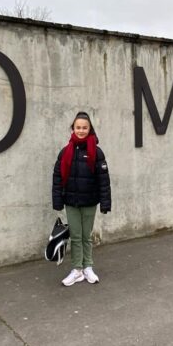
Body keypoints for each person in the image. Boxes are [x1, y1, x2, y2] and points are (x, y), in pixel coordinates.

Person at [51, 111, 111, 286]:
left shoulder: (97, 152)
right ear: (73, 128)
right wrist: (57, 201)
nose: (81, 130)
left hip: (89, 202)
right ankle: (77, 269)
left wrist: (105, 203)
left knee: (86, 236)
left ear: (90, 129)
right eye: (78, 127)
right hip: (71, 202)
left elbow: (104, 180)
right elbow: (57, 178)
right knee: (76, 236)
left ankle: (88, 267)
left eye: (85, 127)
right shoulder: (65, 152)